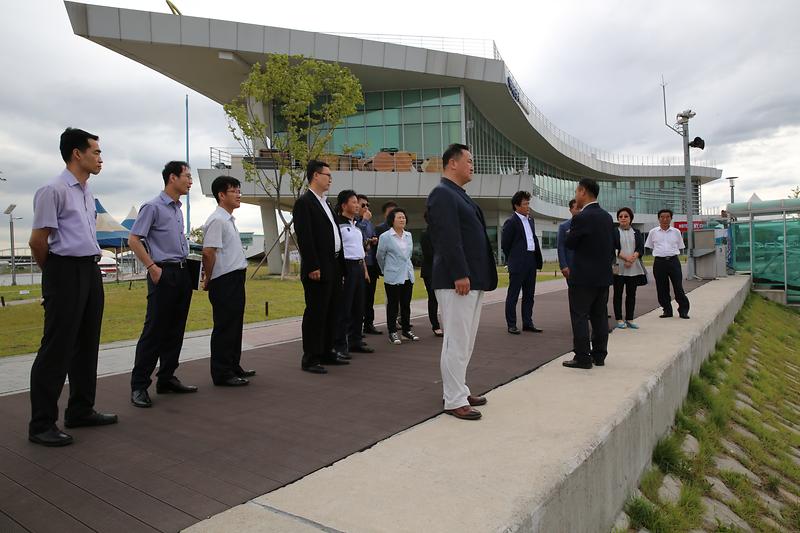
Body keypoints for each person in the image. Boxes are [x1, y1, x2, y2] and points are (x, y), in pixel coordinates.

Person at [27, 127, 117, 446]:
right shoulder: (53, 190)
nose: (100, 158)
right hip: (64, 270)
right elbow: (38, 241)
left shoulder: (86, 191)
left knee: (87, 343)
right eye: (96, 151)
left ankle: (80, 409)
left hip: (89, 270)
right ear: (77, 154)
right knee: (57, 347)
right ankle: (41, 424)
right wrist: (54, 276)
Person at [427, 144, 497, 420]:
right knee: (456, 341)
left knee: (465, 341)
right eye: (469, 160)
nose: (472, 165)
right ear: (452, 163)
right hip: (457, 279)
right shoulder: (442, 194)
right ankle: (453, 398)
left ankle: (459, 388)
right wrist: (459, 273)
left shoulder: (458, 195)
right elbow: (447, 238)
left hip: (472, 278)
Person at [128, 161, 198, 408]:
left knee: (176, 329)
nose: (190, 181)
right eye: (187, 176)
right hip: (163, 273)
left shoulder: (177, 209)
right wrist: (152, 267)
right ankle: (139, 385)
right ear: (172, 178)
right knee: (155, 330)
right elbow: (134, 239)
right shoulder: (153, 207)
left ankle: (166, 378)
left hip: (182, 273)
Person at [292, 160, 349, 374]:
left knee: (332, 310)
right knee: (316, 312)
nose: (330, 178)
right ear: (315, 175)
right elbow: (305, 237)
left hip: (333, 264)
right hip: (318, 266)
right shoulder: (305, 203)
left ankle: (327, 351)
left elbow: (335, 235)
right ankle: (311, 357)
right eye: (327, 174)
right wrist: (312, 265)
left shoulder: (326, 202)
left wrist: (340, 267)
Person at [201, 175, 254, 387]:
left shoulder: (228, 219)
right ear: (221, 195)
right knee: (225, 326)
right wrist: (209, 278)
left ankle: (233, 365)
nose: (239, 194)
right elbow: (208, 252)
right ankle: (222, 372)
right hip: (223, 279)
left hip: (235, 278)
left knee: (235, 324)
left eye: (239, 190)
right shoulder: (217, 220)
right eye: (234, 191)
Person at [562, 178, 615, 370]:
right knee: (599, 316)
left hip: (583, 276)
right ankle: (599, 355)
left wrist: (573, 223)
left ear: (583, 191)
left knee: (580, 316)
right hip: (602, 275)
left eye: (577, 191)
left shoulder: (582, 217)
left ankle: (583, 357)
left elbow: (570, 243)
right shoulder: (607, 217)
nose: (576, 195)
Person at [335, 189, 374, 357]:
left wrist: (364, 270)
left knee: (359, 307)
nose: (357, 205)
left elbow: (360, 250)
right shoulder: (338, 224)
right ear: (344, 205)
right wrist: (341, 272)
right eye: (354, 202)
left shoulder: (356, 226)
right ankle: (340, 345)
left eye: (357, 202)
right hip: (347, 267)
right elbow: (336, 250)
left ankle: (355, 341)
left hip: (359, 267)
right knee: (345, 308)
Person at [501, 190, 544, 334]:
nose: (528, 206)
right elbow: (505, 244)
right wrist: (513, 258)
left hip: (531, 260)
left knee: (529, 294)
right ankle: (511, 324)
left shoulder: (531, 219)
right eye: (525, 204)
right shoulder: (511, 222)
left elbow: (532, 239)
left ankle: (528, 322)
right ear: (516, 206)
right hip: (518, 262)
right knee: (513, 295)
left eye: (528, 203)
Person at [376, 207, 419, 345]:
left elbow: (408, 256)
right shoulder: (385, 237)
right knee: (393, 305)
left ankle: (406, 330)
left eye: (404, 217)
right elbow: (380, 256)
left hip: (407, 275)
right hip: (393, 276)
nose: (402, 219)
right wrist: (386, 270)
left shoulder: (409, 236)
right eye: (399, 217)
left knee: (406, 305)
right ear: (392, 220)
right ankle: (392, 332)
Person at [645, 209, 690, 319]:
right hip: (659, 262)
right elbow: (650, 246)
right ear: (658, 218)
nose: (665, 219)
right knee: (662, 287)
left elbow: (680, 246)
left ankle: (683, 310)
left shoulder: (676, 232)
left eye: (667, 217)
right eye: (662, 217)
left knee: (678, 287)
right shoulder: (653, 232)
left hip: (673, 261)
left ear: (671, 218)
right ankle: (667, 310)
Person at [613, 207, 647, 329]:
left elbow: (640, 248)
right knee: (618, 293)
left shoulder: (636, 232)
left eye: (626, 216)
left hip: (633, 267)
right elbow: (613, 249)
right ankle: (619, 319)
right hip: (617, 266)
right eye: (620, 216)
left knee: (631, 294)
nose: (623, 218)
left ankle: (630, 318)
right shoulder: (614, 232)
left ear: (631, 218)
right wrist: (626, 259)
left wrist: (632, 259)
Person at [356, 194, 382, 336]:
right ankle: (357, 326)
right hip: (360, 264)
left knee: (370, 296)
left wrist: (373, 240)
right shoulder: (356, 222)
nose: (366, 208)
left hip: (371, 264)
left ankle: (369, 324)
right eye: (363, 205)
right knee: (360, 296)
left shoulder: (370, 223)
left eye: (368, 205)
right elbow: (358, 236)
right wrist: (365, 220)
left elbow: (369, 238)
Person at [420, 210, 442, 337]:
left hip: (442, 270)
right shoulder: (425, 234)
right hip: (430, 271)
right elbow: (429, 254)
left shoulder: (443, 233)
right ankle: (435, 326)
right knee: (433, 298)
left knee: (444, 299)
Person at [557, 199, 581, 281]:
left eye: (581, 208)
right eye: (577, 208)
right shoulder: (564, 226)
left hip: (586, 266)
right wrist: (563, 265)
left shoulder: (588, 224)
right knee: (573, 292)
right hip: (571, 266)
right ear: (570, 210)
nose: (579, 210)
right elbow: (560, 246)